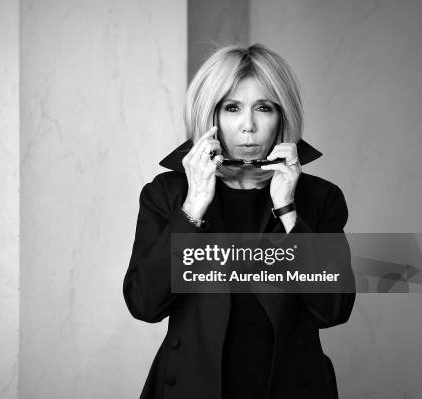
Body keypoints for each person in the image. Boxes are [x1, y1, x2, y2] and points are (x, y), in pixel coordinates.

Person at [123, 44, 355, 399]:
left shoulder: (320, 198)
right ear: (210, 116)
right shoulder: (167, 194)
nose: (249, 127)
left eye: (263, 108)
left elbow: (334, 310)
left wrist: (288, 210)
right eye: (232, 108)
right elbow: (144, 305)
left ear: (282, 115)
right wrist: (193, 207)